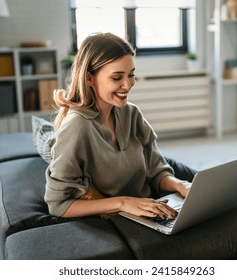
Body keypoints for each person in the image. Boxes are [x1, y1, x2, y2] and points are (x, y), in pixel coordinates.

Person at [45, 32, 196, 220]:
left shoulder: (132, 114)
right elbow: (58, 205)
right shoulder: (77, 126)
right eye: (117, 78)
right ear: (89, 78)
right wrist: (123, 202)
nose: (127, 85)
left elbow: (156, 171)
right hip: (121, 221)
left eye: (131, 75)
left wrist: (182, 185)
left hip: (154, 211)